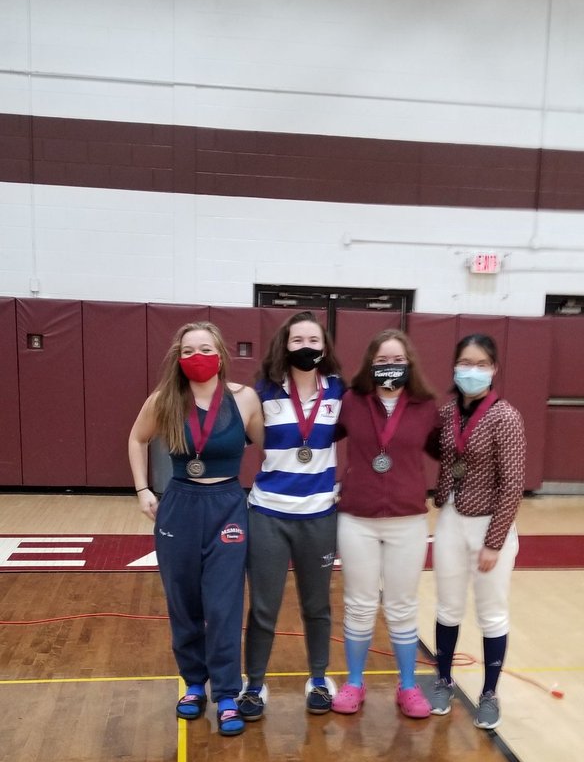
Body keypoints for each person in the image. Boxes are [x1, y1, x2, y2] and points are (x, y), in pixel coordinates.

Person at [128, 321, 263, 736]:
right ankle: (192, 684)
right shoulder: (165, 399)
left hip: (226, 505)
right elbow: (136, 439)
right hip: (180, 503)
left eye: (204, 348)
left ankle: (225, 693)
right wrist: (142, 489)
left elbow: (265, 445)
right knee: (184, 603)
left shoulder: (244, 399)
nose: (196, 356)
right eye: (188, 350)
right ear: (178, 358)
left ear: (220, 354)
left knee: (223, 606)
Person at [238, 311, 345, 720]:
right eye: (297, 340)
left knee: (317, 605)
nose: (305, 347)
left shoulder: (339, 391)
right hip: (267, 513)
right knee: (264, 606)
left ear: (324, 347)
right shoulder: (262, 392)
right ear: (285, 345)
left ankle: (318, 678)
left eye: (313, 340)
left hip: (319, 515)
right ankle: (254, 683)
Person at [331, 329, 439, 718]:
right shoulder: (351, 402)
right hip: (357, 518)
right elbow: (319, 437)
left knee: (402, 606)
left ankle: (408, 686)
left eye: (396, 361)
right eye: (381, 361)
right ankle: (355, 682)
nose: (389, 367)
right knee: (359, 605)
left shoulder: (427, 407)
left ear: (409, 364)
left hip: (408, 521)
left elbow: (448, 452)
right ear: (369, 365)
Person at [430, 333, 526, 730]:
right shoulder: (447, 410)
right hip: (452, 519)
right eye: (465, 363)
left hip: (491, 526)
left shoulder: (505, 416)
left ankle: (489, 693)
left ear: (494, 369)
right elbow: (439, 453)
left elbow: (514, 484)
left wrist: (494, 543)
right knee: (448, 607)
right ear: (454, 366)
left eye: (481, 364)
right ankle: (442, 681)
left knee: (492, 614)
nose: (472, 371)